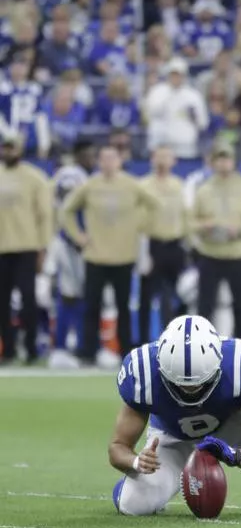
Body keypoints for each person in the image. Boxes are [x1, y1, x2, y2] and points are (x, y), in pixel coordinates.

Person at [108, 315, 241, 517]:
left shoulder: (238, 365)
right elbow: (118, 447)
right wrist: (137, 462)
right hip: (172, 438)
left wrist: (235, 455)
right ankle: (159, 483)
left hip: (229, 425)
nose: (190, 392)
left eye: (199, 384)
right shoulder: (142, 371)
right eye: (180, 385)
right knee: (131, 505)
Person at [61, 145, 158, 367]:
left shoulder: (132, 184)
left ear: (119, 161)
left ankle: (126, 351)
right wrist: (79, 237)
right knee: (91, 305)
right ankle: (88, 351)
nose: (108, 162)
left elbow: (154, 205)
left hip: (123, 255)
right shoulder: (90, 185)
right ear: (99, 161)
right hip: (95, 256)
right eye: (103, 158)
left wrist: (140, 226)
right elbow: (66, 210)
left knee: (123, 307)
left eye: (112, 158)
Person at [191, 140, 241, 344]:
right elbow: (190, 222)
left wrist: (240, 230)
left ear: (234, 162)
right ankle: (199, 347)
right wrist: (204, 226)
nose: (224, 163)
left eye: (227, 159)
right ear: (213, 162)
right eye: (220, 159)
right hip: (210, 253)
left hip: (238, 254)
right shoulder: (203, 190)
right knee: (204, 307)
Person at [0, 131, 52, 364]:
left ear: (20, 150)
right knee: (1, 301)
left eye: (12, 148)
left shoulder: (34, 177)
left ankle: (30, 349)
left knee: (28, 300)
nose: (8, 152)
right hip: (2, 248)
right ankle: (8, 349)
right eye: (5, 148)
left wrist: (43, 247)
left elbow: (45, 215)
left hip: (27, 246)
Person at [46, 140, 95, 369]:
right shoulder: (71, 174)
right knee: (69, 296)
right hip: (70, 244)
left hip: (78, 243)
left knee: (80, 296)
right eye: (88, 154)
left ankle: (79, 345)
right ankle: (62, 347)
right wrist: (75, 238)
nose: (92, 159)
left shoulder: (84, 175)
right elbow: (67, 207)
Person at [138, 146, 187, 343]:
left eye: (167, 156)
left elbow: (186, 216)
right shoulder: (143, 185)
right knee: (147, 296)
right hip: (152, 243)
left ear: (174, 161)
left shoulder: (179, 185)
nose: (162, 160)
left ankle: (173, 342)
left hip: (174, 244)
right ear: (151, 159)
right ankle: (142, 342)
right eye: (159, 156)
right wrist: (142, 251)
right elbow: (138, 219)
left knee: (174, 296)